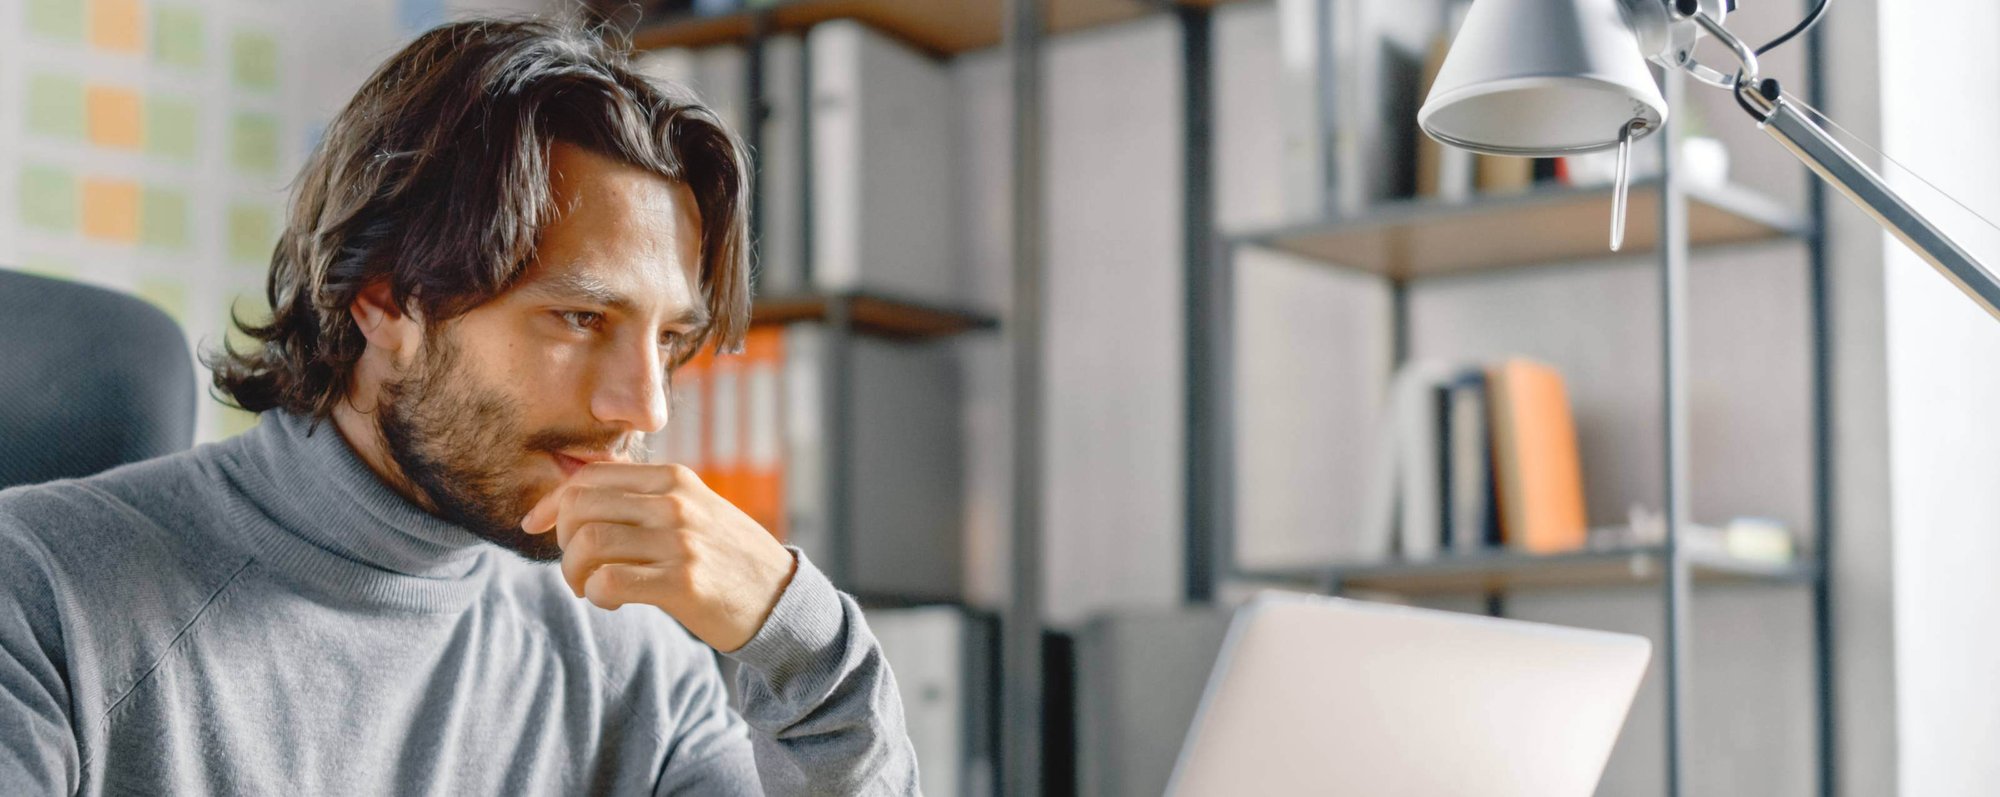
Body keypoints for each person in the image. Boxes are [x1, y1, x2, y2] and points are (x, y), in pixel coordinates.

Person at [0, 18, 918, 796]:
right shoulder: (36, 597)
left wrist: (798, 640)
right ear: (387, 301)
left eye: (670, 339)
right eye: (580, 316)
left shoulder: (632, 666)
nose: (644, 404)